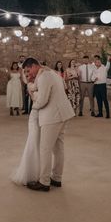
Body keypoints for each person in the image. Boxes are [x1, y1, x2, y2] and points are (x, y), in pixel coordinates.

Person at [22, 58, 76, 192]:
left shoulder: (44, 76)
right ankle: (57, 178)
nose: (30, 74)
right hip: (63, 113)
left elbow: (42, 102)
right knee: (58, 148)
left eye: (29, 70)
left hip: (53, 116)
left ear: (34, 66)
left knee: (45, 149)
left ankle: (44, 182)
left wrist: (32, 94)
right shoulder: (52, 73)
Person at [10, 73, 40, 185]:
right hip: (35, 114)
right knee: (32, 142)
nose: (30, 77)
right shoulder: (30, 85)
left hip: (40, 114)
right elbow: (35, 98)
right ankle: (30, 172)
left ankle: (40, 171)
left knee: (39, 143)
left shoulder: (38, 84)